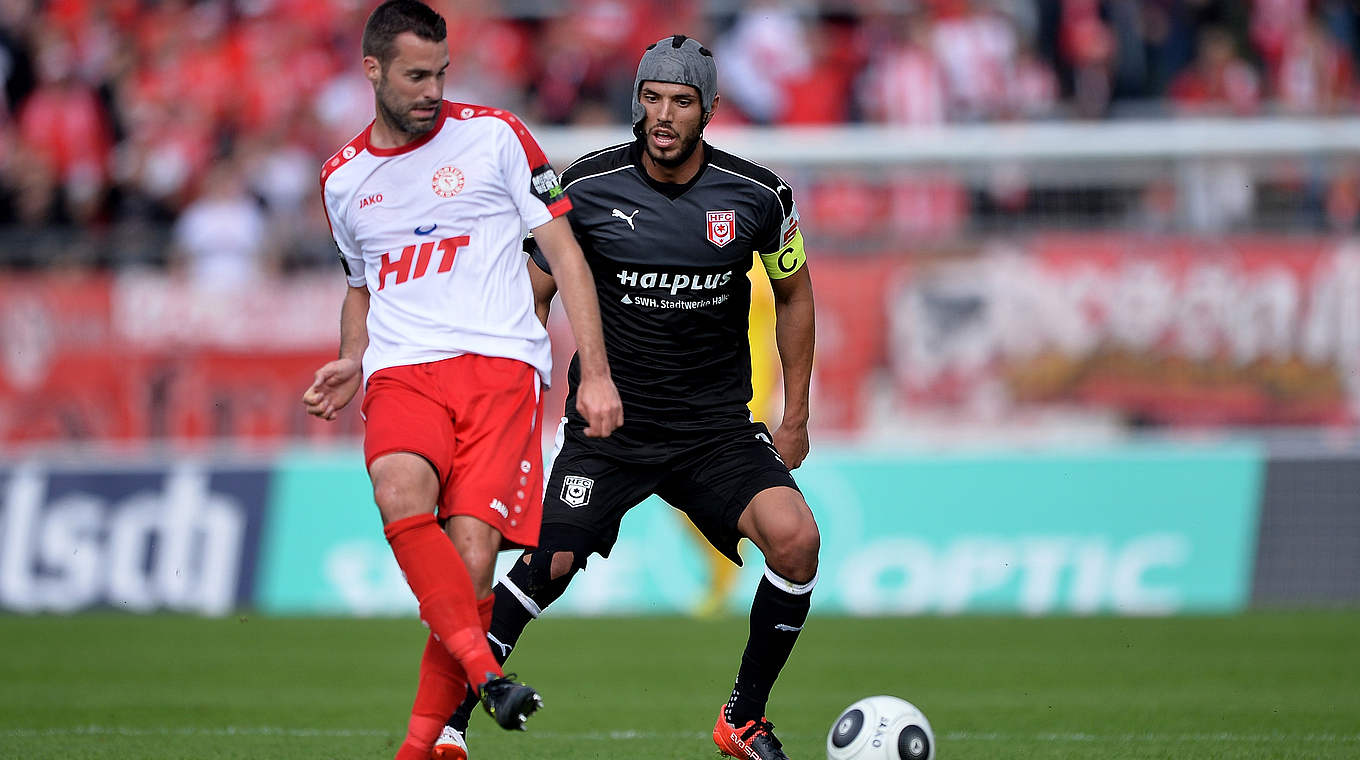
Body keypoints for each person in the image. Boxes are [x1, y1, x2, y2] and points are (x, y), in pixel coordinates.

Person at [435, 34, 818, 760]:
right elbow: (531, 295)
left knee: (798, 542)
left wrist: (794, 413)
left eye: (681, 101)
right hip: (610, 430)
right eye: (652, 98)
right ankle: (450, 722)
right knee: (545, 566)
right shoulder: (586, 186)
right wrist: (500, 401)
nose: (664, 115)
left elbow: (794, 294)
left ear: (708, 110)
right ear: (635, 101)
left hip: (714, 431)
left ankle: (742, 717)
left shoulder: (759, 196)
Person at [301, 3, 622, 758]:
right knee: (398, 492)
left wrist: (596, 374)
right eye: (416, 75)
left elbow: (567, 257)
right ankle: (485, 679)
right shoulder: (341, 182)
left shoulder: (497, 138)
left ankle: (425, 745)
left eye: (441, 72)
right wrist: (352, 355)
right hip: (402, 369)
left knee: (474, 555)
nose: (431, 90)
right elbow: (361, 285)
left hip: (502, 367)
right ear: (372, 70)